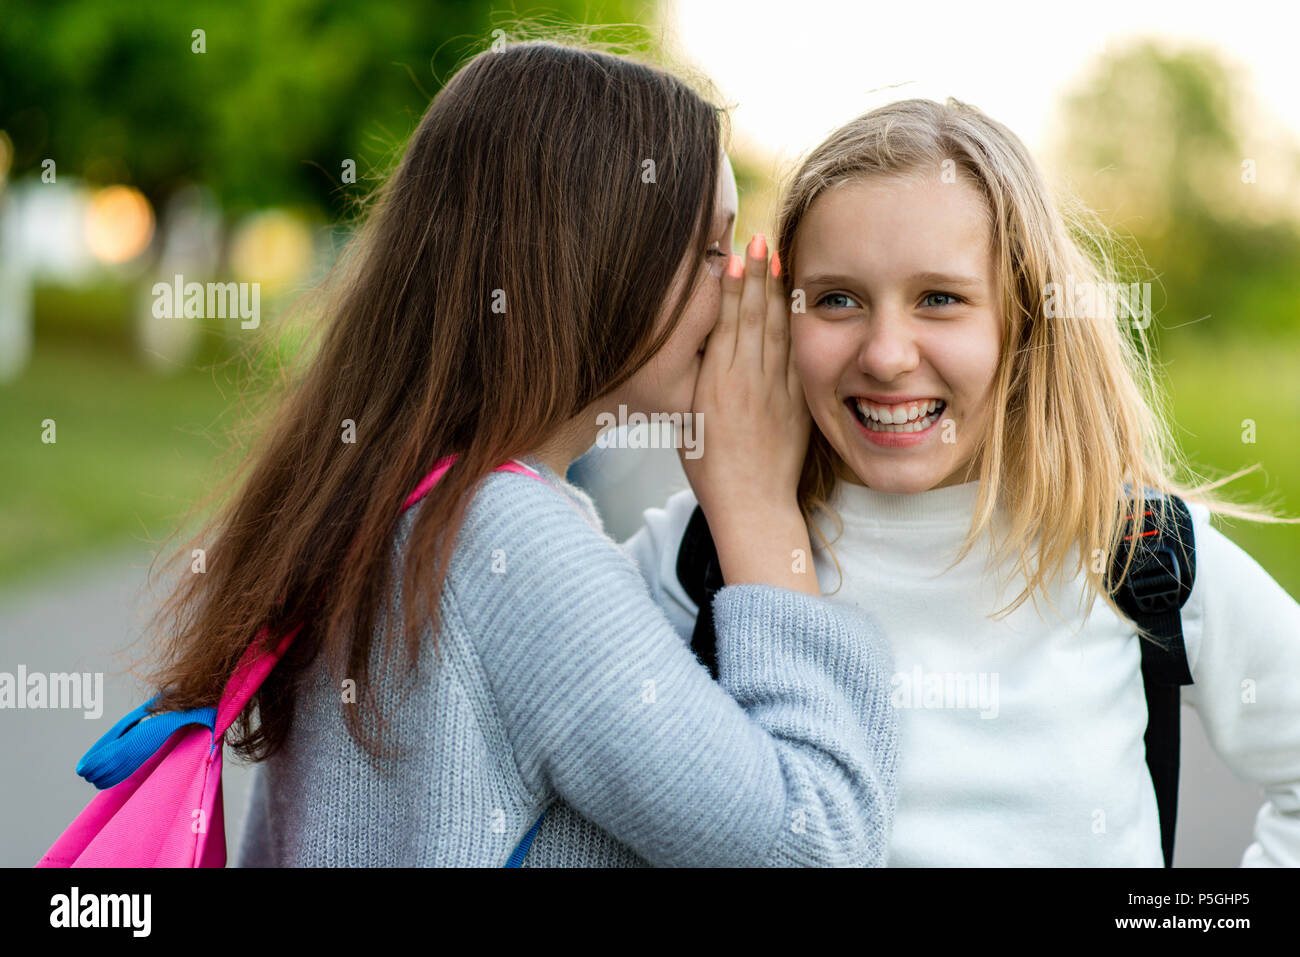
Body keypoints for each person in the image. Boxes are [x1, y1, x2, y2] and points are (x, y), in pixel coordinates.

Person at [139, 38, 899, 867]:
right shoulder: (508, 540)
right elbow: (815, 839)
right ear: (594, 257)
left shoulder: (401, 495)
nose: (735, 290)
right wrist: (758, 509)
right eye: (711, 250)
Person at [629, 98, 1300, 866]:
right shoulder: (703, 552)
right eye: (838, 299)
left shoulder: (1135, 551)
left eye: (939, 299)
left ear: (1025, 319)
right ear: (780, 316)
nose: (885, 355)